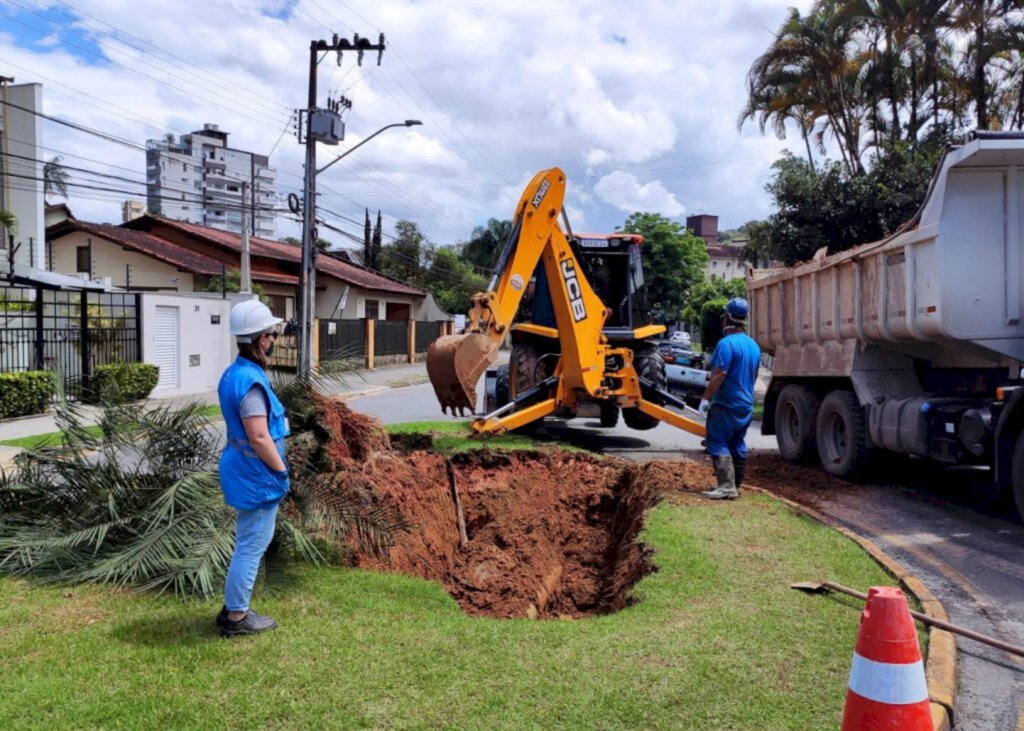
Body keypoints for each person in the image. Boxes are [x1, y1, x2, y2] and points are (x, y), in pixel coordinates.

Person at [215, 299, 291, 637]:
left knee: (248, 539)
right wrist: (281, 471)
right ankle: (237, 617)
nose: (274, 340)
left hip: (243, 467)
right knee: (252, 543)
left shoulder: (234, 373)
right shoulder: (250, 382)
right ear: (260, 339)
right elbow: (259, 436)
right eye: (272, 334)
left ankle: (233, 605)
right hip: (257, 472)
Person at [697, 297, 760, 500]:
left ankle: (726, 486)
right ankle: (736, 484)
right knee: (737, 442)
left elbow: (720, 374)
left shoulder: (725, 344)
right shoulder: (753, 346)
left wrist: (706, 398)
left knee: (717, 441)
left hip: (726, 403)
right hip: (745, 404)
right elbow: (754, 374)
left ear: (727, 318)